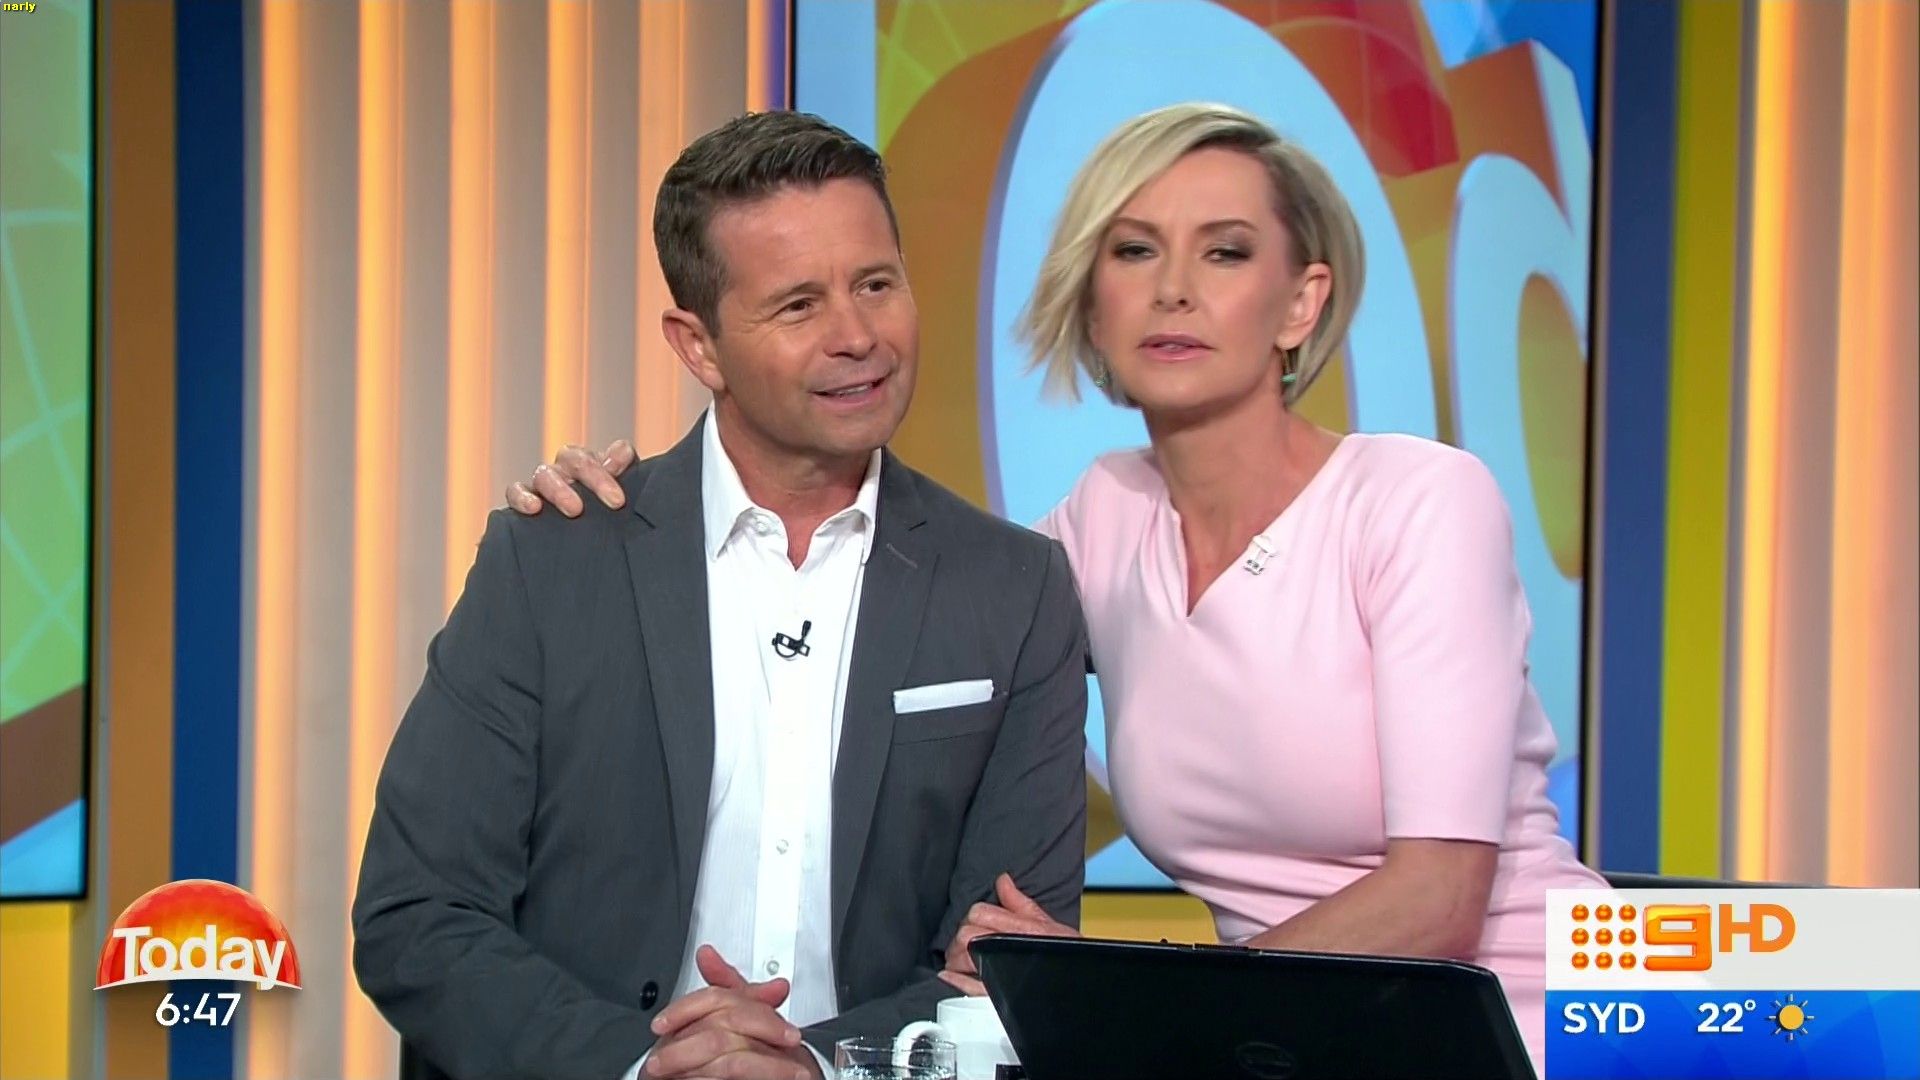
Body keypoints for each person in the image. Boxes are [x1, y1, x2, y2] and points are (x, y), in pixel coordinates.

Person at [506, 102, 1605, 1072]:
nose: (1174, 288)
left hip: (1536, 1021)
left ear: (1300, 303)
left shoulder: (1419, 499)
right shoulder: (1094, 526)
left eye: (1225, 253)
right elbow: (893, 596)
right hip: (1279, 1040)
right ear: (1091, 300)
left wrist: (1136, 1001)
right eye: (1134, 251)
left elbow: (1439, 900)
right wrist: (638, 511)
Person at [352, 110, 1090, 1080]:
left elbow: (1010, 959)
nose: (858, 336)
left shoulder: (1014, 588)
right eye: (798, 306)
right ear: (698, 347)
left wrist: (815, 1067)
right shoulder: (553, 561)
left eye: (876, 284)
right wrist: (644, 1067)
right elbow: (417, 914)